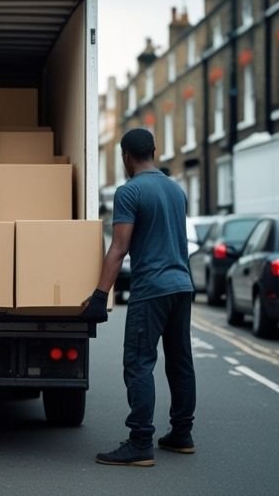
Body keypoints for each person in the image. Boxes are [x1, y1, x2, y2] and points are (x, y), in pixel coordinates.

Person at [82, 128, 196, 467]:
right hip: (182, 285)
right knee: (180, 362)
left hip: (152, 290)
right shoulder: (176, 191)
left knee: (139, 363)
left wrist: (99, 296)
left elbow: (119, 248)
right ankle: (182, 434)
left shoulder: (129, 192)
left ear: (125, 156)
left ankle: (140, 442)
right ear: (155, 151)